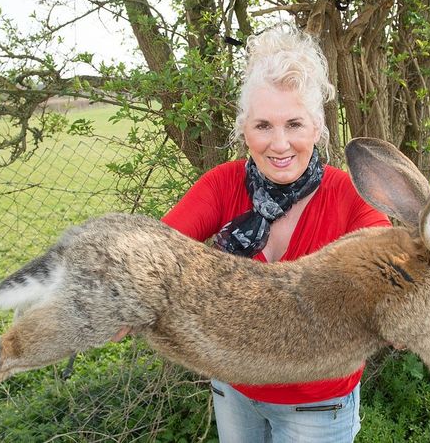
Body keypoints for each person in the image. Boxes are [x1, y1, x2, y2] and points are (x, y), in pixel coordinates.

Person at [159, 24, 391, 442]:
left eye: (294, 124)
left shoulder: (352, 198)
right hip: (234, 387)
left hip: (317, 405)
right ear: (244, 129)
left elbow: (388, 279)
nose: (279, 144)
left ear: (316, 128)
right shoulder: (222, 184)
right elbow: (151, 253)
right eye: (263, 125)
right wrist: (121, 295)